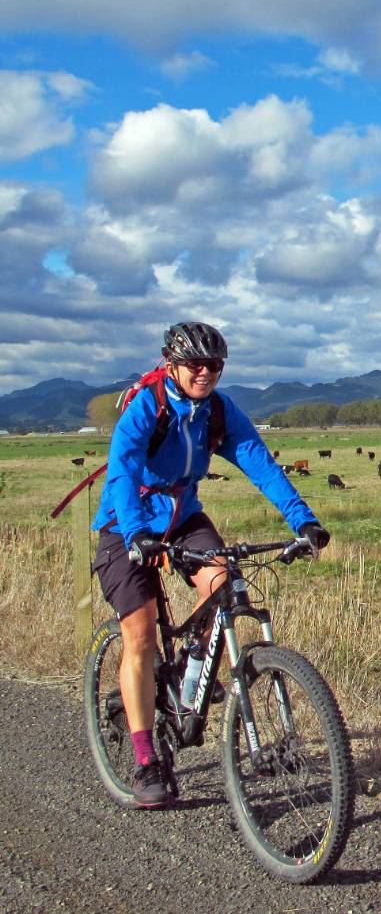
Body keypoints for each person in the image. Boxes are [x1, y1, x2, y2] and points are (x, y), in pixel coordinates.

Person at [91, 321, 330, 808]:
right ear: (172, 365)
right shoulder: (147, 406)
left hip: (183, 517)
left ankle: (190, 683)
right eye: (196, 365)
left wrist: (303, 521)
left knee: (225, 583)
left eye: (215, 365)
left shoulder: (217, 412)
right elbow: (123, 469)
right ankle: (144, 762)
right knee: (138, 631)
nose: (205, 373)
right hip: (126, 522)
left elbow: (258, 460)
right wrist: (136, 533)